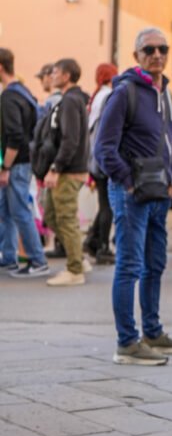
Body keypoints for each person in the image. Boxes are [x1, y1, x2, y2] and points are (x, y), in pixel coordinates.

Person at [95, 27, 172, 365]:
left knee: (155, 264)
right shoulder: (124, 93)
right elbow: (104, 148)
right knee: (130, 266)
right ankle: (127, 342)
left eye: (163, 48)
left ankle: (152, 331)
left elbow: (169, 140)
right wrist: (127, 181)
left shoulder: (165, 92)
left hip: (160, 191)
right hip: (131, 193)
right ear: (137, 56)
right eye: (149, 50)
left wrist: (171, 178)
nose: (157, 55)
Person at [0, 48, 50, 277]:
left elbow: (15, 136)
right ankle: (8, 258)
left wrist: (5, 168)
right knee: (6, 210)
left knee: (19, 211)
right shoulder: (23, 92)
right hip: (24, 160)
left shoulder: (9, 97)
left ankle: (37, 260)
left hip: (17, 163)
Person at [40, 59, 90, 287]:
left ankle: (75, 270)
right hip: (68, 169)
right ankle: (77, 256)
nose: (51, 75)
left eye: (56, 72)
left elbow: (70, 140)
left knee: (65, 218)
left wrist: (56, 168)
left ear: (67, 75)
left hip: (68, 171)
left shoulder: (70, 100)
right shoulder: (71, 99)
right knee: (52, 216)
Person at [84, 62, 118, 265]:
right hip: (103, 158)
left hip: (94, 158)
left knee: (103, 203)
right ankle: (103, 246)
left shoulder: (97, 96)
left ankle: (93, 240)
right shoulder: (108, 96)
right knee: (108, 206)